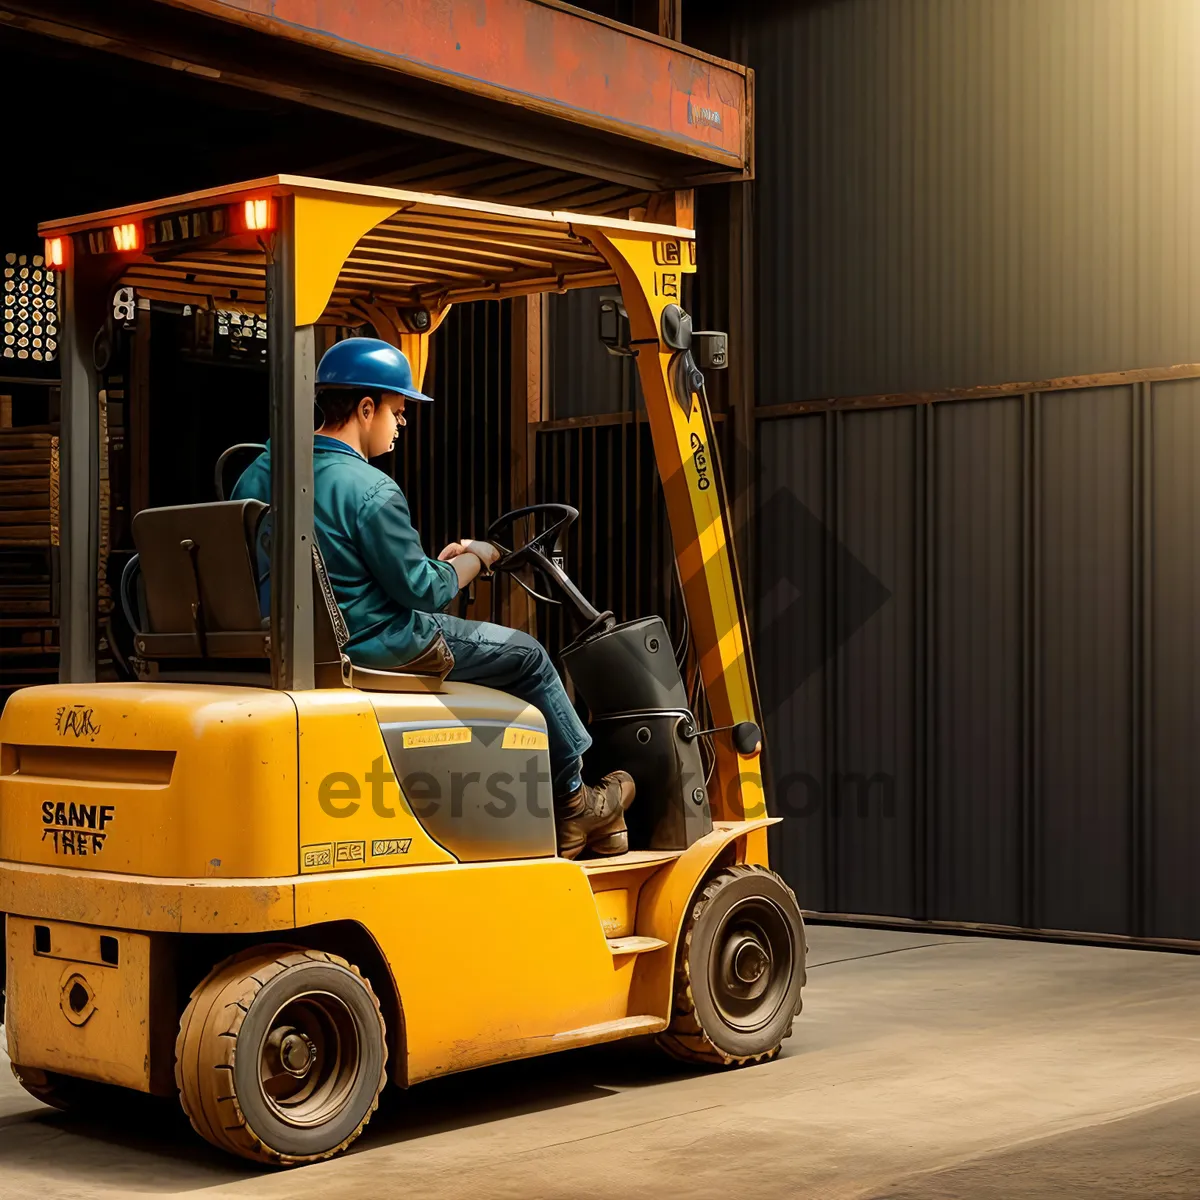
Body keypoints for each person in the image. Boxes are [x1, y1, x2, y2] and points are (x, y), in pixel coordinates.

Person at [233, 336, 633, 859]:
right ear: (366, 407)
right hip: (380, 642)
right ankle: (575, 804)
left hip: (295, 641)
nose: (402, 425)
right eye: (398, 412)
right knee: (529, 657)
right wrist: (476, 556)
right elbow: (423, 591)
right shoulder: (371, 489)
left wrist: (439, 564)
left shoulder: (258, 473)